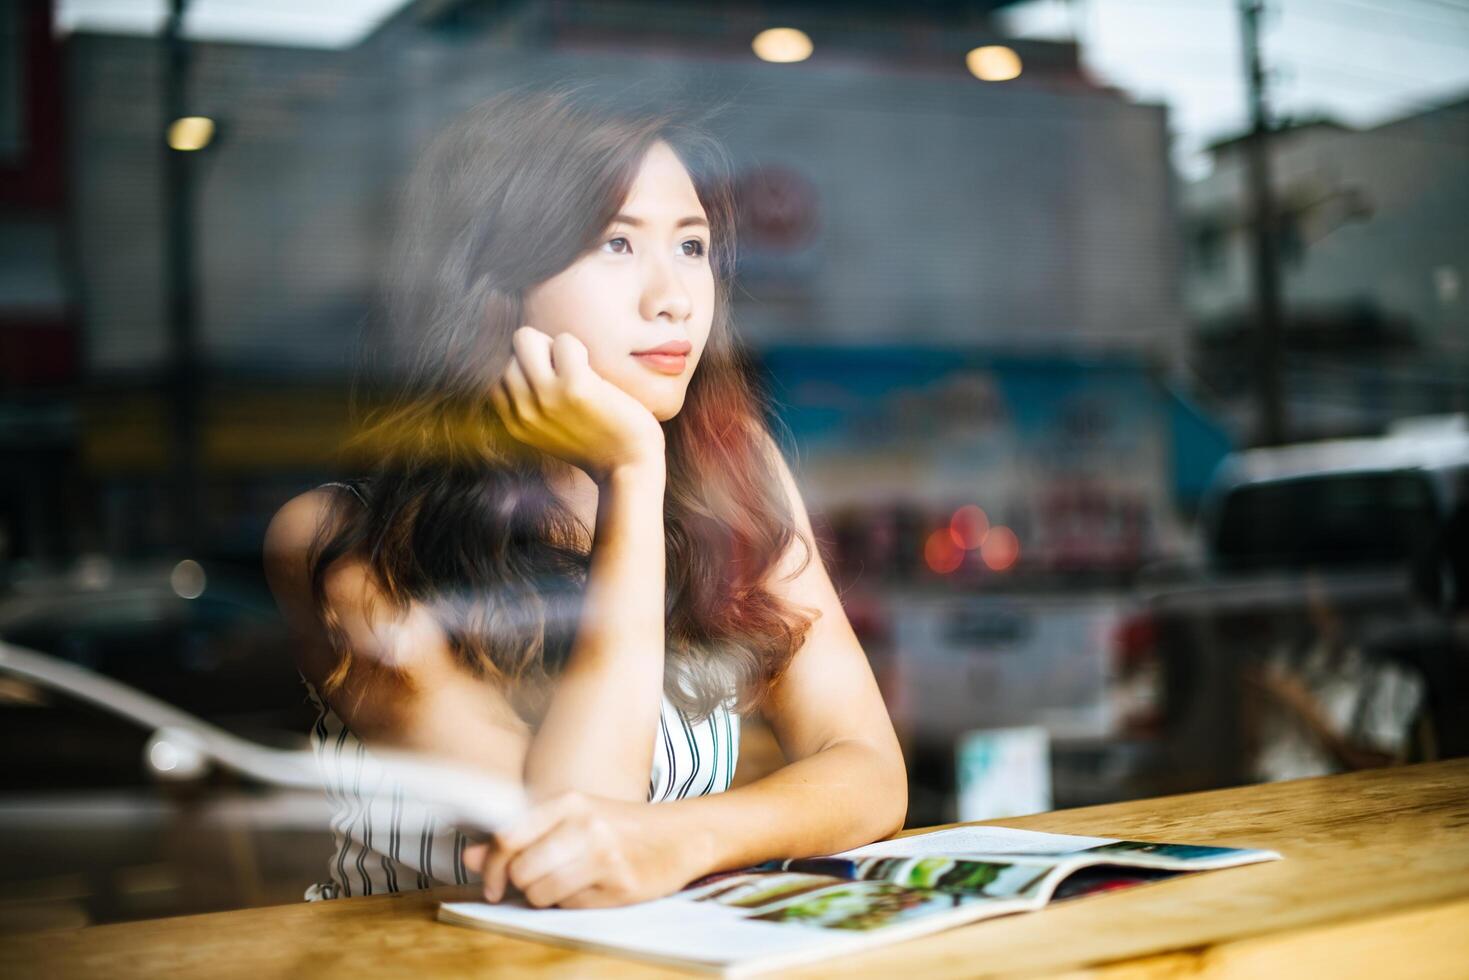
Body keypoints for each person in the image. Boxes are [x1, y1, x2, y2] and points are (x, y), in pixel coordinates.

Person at [261, 85, 907, 911]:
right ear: (496, 289)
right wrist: (632, 475)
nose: (672, 296)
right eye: (614, 245)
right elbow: (558, 851)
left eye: (691, 245)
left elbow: (867, 767)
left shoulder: (731, 473)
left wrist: (682, 840)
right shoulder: (342, 540)